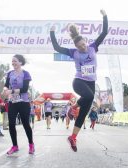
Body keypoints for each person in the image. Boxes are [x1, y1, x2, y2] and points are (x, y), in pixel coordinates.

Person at [50, 9, 108, 152]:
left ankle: (73, 137)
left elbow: (104, 32)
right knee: (89, 96)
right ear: (76, 47)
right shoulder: (73, 52)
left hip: (91, 83)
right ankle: (74, 106)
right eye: (80, 46)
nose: (83, 47)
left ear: (85, 41)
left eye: (84, 44)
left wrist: (105, 16)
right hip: (79, 81)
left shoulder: (93, 47)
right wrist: (52, 32)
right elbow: (57, 47)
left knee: (84, 113)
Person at [2, 54, 34, 155]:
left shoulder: (26, 74)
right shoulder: (10, 73)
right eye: (12, 61)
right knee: (11, 124)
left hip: (23, 102)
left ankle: (31, 145)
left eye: (15, 61)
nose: (13, 63)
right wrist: (5, 90)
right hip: (12, 102)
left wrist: (10, 91)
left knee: (25, 124)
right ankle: (14, 146)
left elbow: (24, 89)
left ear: (20, 62)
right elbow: (6, 85)